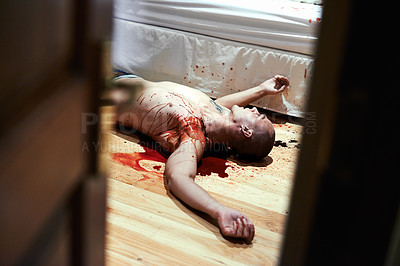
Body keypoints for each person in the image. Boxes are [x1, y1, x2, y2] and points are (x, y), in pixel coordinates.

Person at [111, 72, 289, 243]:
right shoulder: (216, 113)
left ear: (246, 131)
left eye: (259, 117)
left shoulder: (193, 133)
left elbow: (178, 177)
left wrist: (219, 211)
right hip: (124, 75)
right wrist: (261, 89)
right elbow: (219, 104)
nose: (256, 110)